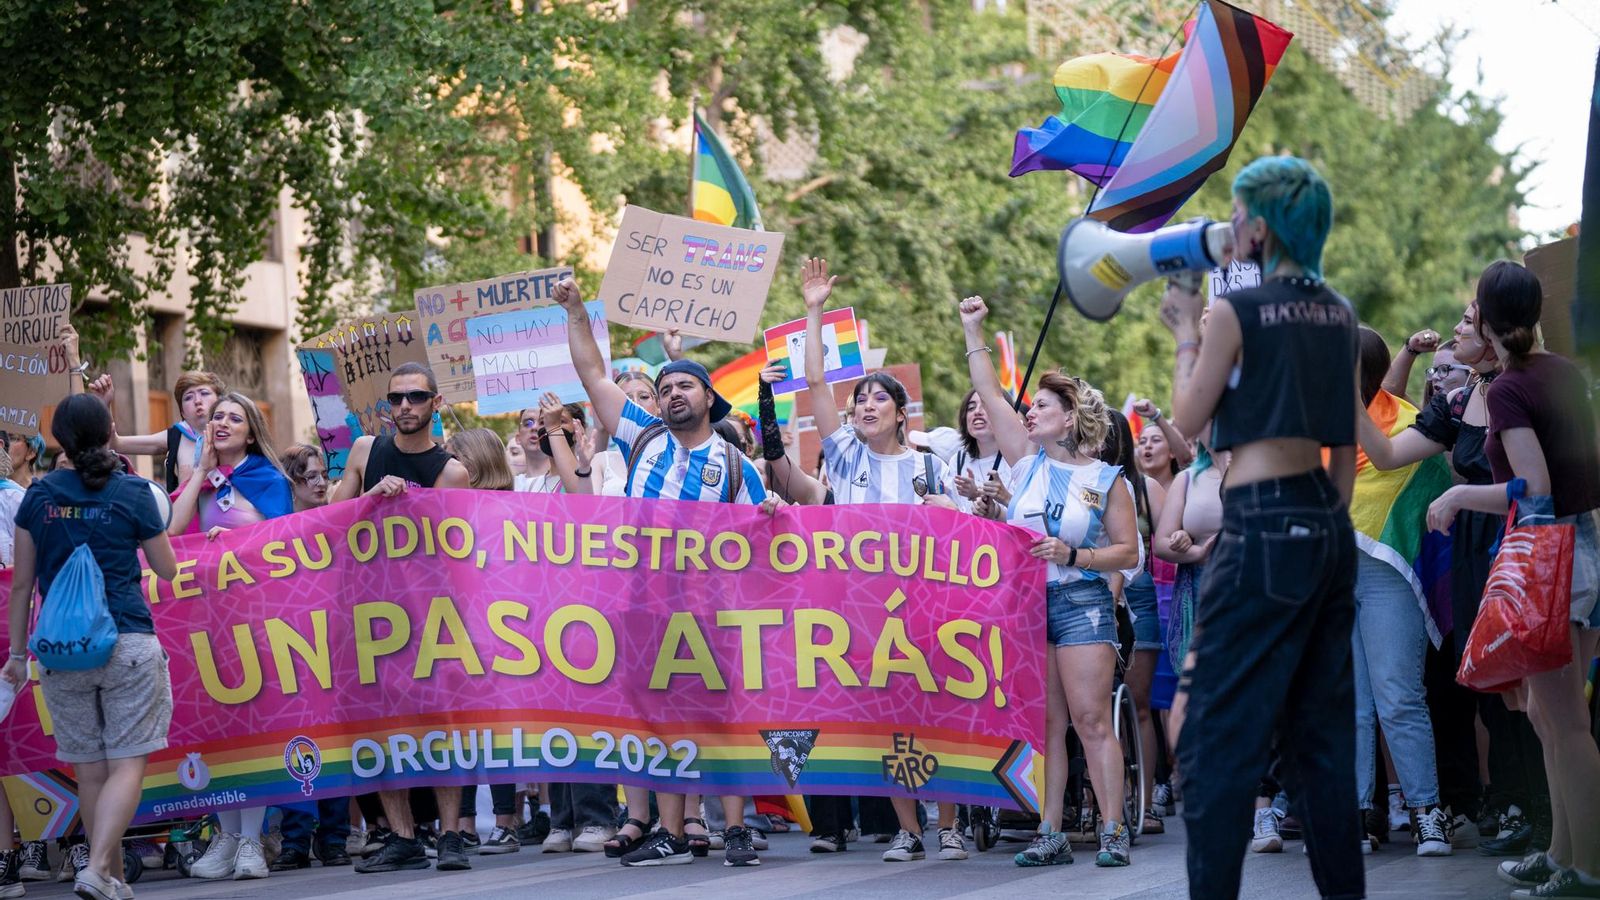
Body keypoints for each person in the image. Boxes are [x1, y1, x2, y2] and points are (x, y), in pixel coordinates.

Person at [1160, 155, 1363, 900]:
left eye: (1242, 211)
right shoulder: (1339, 311)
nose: (1234, 224)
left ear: (1264, 226)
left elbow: (1186, 427)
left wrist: (1187, 330)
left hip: (1261, 521)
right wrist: (1324, 528)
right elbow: (1343, 446)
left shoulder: (1238, 311)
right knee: (1322, 746)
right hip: (1324, 525)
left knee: (1216, 743)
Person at [550, 277, 771, 870]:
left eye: (684, 386)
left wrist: (772, 512)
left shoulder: (734, 463)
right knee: (659, 718)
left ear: (708, 398)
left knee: (720, 715)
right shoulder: (641, 436)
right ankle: (669, 831)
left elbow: (768, 533)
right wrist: (576, 312)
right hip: (644, 604)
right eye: (666, 386)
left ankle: (736, 827)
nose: (672, 394)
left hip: (712, 609)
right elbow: (594, 377)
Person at [1423, 261, 1600, 896]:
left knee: (1564, 726)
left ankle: (1586, 870)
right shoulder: (1557, 373)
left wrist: (1459, 500)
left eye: (1472, 310)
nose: (1464, 319)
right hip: (1581, 554)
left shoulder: (1507, 388)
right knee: (1554, 724)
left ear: (1491, 321)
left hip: (1555, 558)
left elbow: (1536, 488)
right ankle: (1562, 852)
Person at [1355, 298, 1543, 853]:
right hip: (1472, 552)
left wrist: (1461, 493)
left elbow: (1534, 484)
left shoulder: (1524, 386)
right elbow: (1386, 455)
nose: (1453, 329)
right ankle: (1520, 811)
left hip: (1524, 546)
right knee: (1495, 692)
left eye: (1466, 320)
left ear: (1493, 332)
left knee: (1535, 696)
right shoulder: (1459, 400)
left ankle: (1541, 820)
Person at [959, 293, 1139, 869]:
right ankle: (1050, 829)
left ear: (1069, 415)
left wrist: (1074, 553)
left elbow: (1128, 551)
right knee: (1045, 724)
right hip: (1027, 606)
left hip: (1082, 601)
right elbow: (988, 392)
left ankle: (1112, 828)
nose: (1028, 413)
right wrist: (972, 329)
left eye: (1040, 406)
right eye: (1028, 408)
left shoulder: (1106, 479)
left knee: (1089, 719)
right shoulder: (1023, 463)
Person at [795, 260, 965, 864]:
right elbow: (815, 385)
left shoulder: (928, 467)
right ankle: (908, 829)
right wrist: (815, 309)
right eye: (859, 398)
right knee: (891, 718)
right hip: (865, 612)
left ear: (900, 412)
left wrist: (952, 508)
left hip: (928, 610)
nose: (864, 405)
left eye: (877, 398)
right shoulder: (841, 456)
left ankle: (948, 824)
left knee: (940, 712)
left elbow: (963, 538)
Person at [3, 394, 179, 900]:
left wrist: (18, 656)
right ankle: (99, 867)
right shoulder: (133, 493)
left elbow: (22, 585)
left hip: (61, 651)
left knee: (89, 769)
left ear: (59, 439)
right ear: (109, 434)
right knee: (127, 763)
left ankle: (113, 878)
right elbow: (166, 569)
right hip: (127, 639)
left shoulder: (37, 497)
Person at [330, 362, 472, 874]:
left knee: (442, 727)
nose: (405, 407)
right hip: (370, 611)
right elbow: (328, 515)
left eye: (415, 397)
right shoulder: (367, 451)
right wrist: (372, 496)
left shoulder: (451, 471)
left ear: (435, 404)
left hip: (433, 616)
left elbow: (463, 550)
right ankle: (403, 836)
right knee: (380, 727)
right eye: (396, 399)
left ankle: (453, 835)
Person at [170, 393, 293, 880]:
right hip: (207, 615)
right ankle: (225, 836)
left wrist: (241, 542)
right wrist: (199, 471)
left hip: (257, 613)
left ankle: (251, 840)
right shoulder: (199, 481)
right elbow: (173, 532)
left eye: (233, 418)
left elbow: (287, 542)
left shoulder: (268, 477)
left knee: (253, 724)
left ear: (250, 431)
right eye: (216, 415)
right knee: (217, 727)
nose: (221, 422)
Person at [1346, 327, 1455, 856]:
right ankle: (1359, 814)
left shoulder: (1408, 423)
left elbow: (1424, 497)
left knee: (1397, 697)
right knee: (1351, 704)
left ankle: (1427, 812)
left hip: (1391, 579)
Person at [440, 428, 527, 856]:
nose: (444, 465)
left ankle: (507, 823)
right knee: (462, 732)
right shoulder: (442, 509)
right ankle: (465, 825)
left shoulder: (508, 509)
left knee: (495, 731)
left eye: (451, 457)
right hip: (453, 630)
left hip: (500, 630)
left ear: (471, 465)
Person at [100, 371, 227, 492]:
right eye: (188, 397)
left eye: (204, 393)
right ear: (182, 412)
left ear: (220, 401)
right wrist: (105, 404)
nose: (197, 401)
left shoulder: (237, 434)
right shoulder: (176, 436)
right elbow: (115, 444)